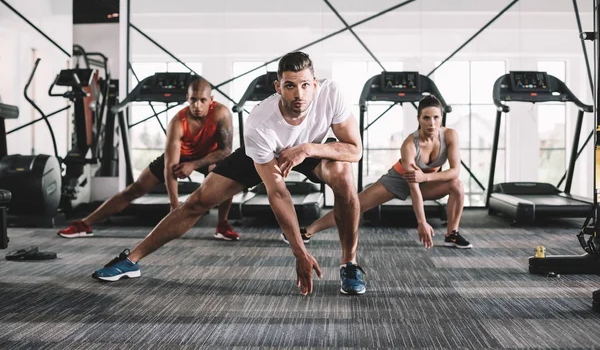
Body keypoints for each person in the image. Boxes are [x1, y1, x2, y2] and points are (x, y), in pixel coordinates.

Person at [91, 51, 366, 296]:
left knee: (343, 175)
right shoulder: (260, 123)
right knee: (198, 201)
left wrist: (306, 148)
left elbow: (355, 150)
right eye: (290, 86)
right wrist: (299, 250)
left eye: (305, 85)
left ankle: (349, 264)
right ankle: (131, 260)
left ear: (314, 84)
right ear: (278, 87)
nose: (299, 94)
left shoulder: (331, 94)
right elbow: (278, 192)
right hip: (266, 154)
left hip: (312, 149)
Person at [58, 77, 239, 241]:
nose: (197, 105)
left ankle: (222, 224)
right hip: (181, 157)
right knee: (134, 189)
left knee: (228, 174)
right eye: (193, 100)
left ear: (211, 100)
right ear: (187, 98)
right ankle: (84, 224)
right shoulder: (177, 122)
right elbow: (170, 167)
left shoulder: (221, 113)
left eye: (203, 100)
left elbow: (225, 150)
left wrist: (193, 164)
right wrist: (175, 207)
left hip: (209, 156)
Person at [283, 94, 472, 250]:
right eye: (426, 118)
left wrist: (427, 176)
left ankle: (451, 234)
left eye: (436, 117)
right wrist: (421, 222)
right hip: (398, 180)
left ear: (441, 118)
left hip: (426, 182)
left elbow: (455, 171)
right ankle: (306, 232)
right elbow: (413, 187)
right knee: (355, 206)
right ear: (418, 119)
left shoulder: (449, 135)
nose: (432, 123)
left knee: (457, 185)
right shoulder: (409, 144)